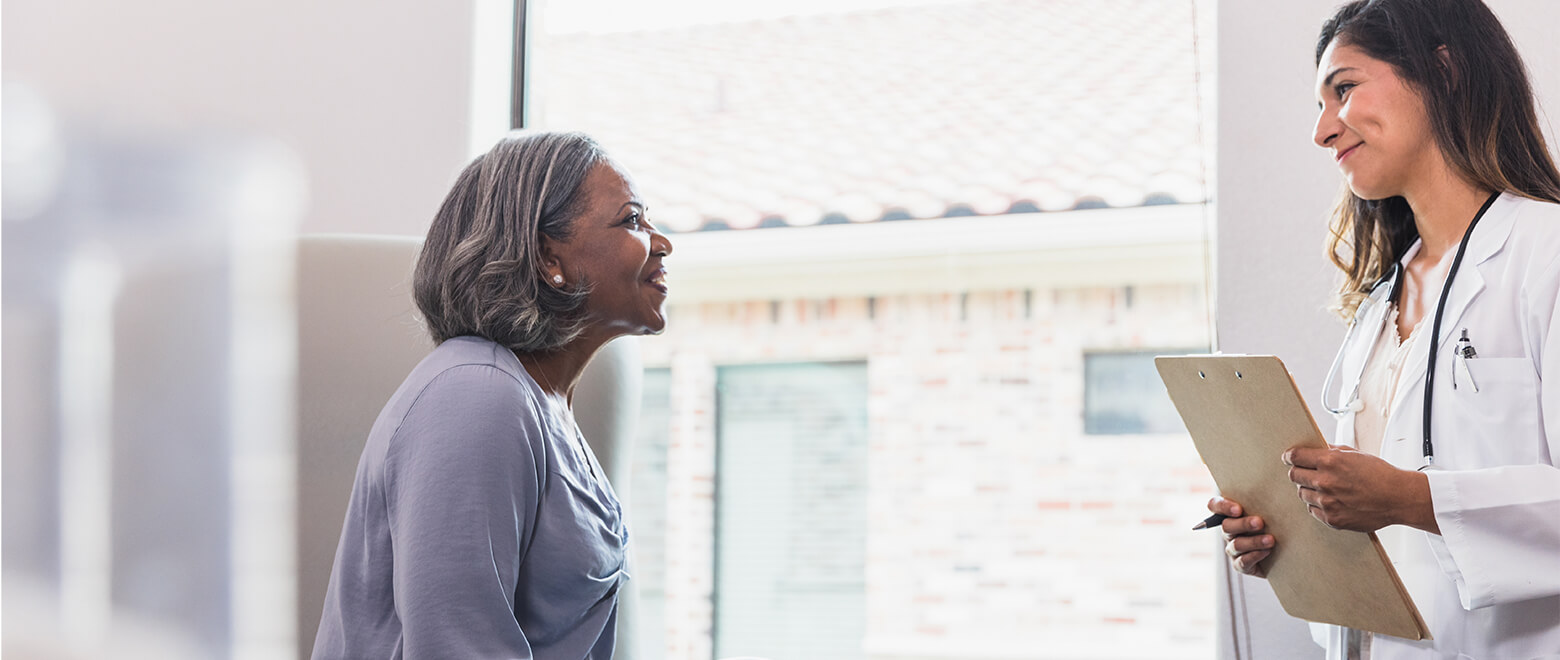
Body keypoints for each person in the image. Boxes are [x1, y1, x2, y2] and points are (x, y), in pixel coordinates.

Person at [1209, 0, 1560, 657]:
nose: (1321, 130)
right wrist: (1290, 539)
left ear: (1445, 71)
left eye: (1343, 88)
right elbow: (1384, 535)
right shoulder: (1379, 302)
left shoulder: (1547, 253)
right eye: (1319, 103)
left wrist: (1408, 497)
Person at [312, 131, 674, 659]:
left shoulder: (543, 405)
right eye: (632, 220)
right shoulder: (476, 395)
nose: (662, 243)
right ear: (549, 256)